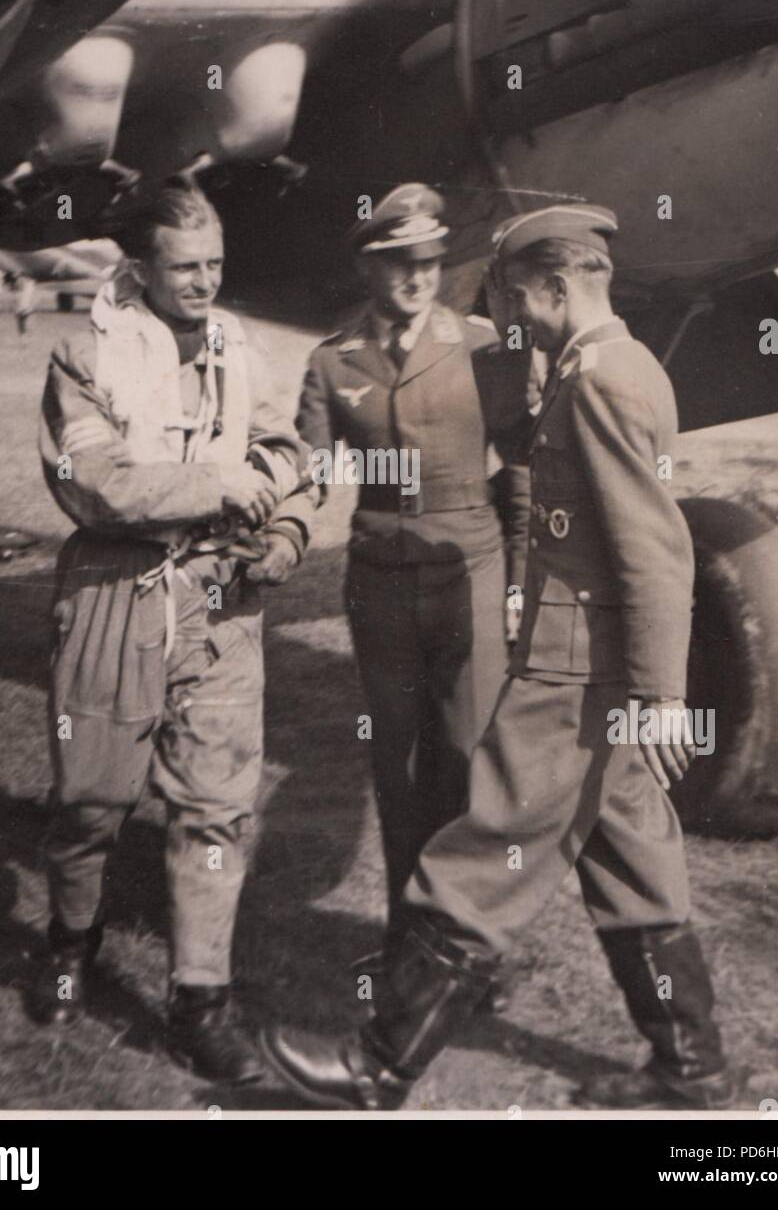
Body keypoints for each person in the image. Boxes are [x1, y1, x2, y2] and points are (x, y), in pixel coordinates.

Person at [263, 203, 736, 1111]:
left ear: (559, 286)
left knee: (480, 851)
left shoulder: (595, 381)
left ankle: (376, 1067)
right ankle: (692, 1068)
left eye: (520, 296)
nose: (512, 315)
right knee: (633, 863)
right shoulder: (624, 364)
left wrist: (660, 698)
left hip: (576, 675)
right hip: (605, 672)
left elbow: (653, 547)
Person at [33, 180, 315, 1085]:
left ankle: (202, 1000)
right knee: (91, 799)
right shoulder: (85, 356)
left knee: (215, 807)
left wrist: (282, 532)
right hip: (118, 592)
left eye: (216, 264)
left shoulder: (244, 347)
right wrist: (216, 488)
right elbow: (93, 483)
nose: (203, 282)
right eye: (185, 266)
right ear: (140, 266)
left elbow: (284, 452)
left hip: (223, 602)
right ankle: (71, 940)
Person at [296, 183, 531, 983]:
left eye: (428, 260)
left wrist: (520, 579)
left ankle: (472, 952)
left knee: (468, 759)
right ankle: (408, 939)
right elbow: (308, 473)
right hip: (379, 581)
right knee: (396, 763)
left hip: (469, 567)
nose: (417, 277)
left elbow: (524, 467)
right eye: (399, 262)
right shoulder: (332, 362)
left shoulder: (482, 345)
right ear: (370, 266)